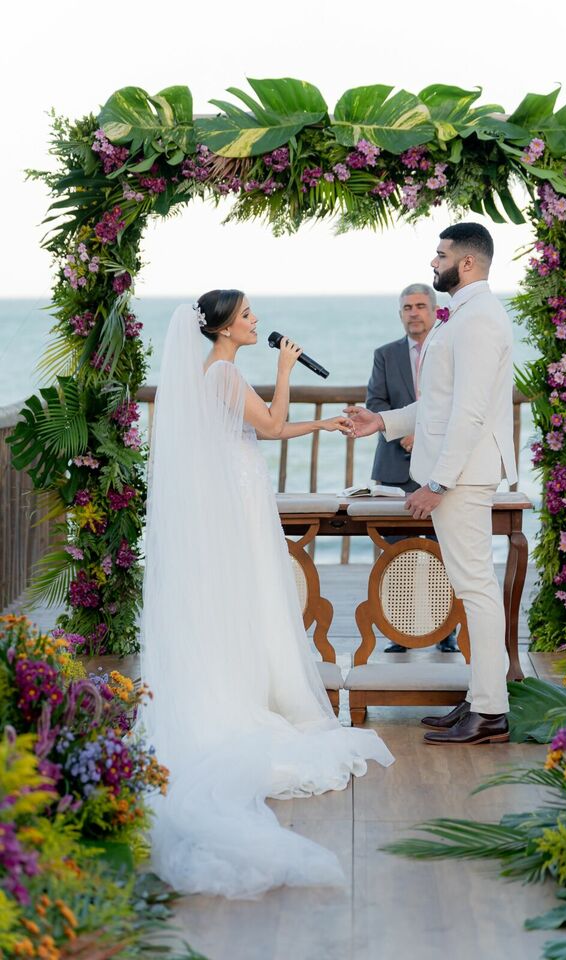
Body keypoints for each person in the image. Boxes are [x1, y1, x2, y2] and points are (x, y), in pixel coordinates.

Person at [140, 291, 393, 898]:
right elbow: (273, 425)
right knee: (256, 597)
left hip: (243, 497)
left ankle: (257, 682)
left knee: (255, 600)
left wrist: (324, 423)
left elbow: (266, 429)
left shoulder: (217, 374)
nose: (256, 322)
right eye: (248, 315)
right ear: (225, 328)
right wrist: (286, 371)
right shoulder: (224, 372)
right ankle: (252, 696)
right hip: (243, 503)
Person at [346, 224, 517, 746]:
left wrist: (437, 483)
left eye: (440, 254)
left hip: (463, 477)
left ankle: (490, 711)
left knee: (477, 591)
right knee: (471, 588)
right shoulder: (462, 316)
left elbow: (468, 413)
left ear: (465, 263)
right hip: (457, 474)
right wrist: (384, 422)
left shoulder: (481, 320)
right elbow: (441, 403)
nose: (433, 261)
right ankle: (479, 696)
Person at [366, 283, 459, 653]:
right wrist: (404, 434)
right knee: (396, 553)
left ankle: (445, 630)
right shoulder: (384, 355)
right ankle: (398, 631)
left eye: (421, 305)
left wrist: (424, 436)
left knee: (441, 553)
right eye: (407, 307)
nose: (414, 313)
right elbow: (375, 402)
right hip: (395, 468)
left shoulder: (448, 350)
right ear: (400, 313)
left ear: (435, 310)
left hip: (440, 469)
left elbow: (458, 405)